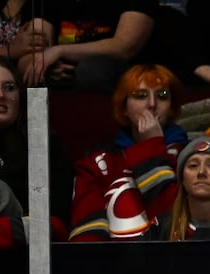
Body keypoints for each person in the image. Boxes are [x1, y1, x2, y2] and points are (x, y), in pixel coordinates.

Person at [67, 62, 188, 240]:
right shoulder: (98, 161)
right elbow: (86, 233)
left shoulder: (192, 156)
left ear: (172, 108)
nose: (152, 104)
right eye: (141, 95)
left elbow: (177, 220)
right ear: (124, 107)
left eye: (162, 96)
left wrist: (151, 147)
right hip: (113, 263)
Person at [0, 54, 71, 238]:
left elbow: (55, 222)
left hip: (21, 248)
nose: (1, 95)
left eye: (9, 87)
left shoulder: (43, 146)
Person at [13, 0, 156, 90]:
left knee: (91, 69)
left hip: (120, 76)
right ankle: (41, 137)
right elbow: (27, 58)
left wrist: (60, 51)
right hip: (60, 80)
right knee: (35, 75)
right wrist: (43, 67)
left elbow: (125, 47)